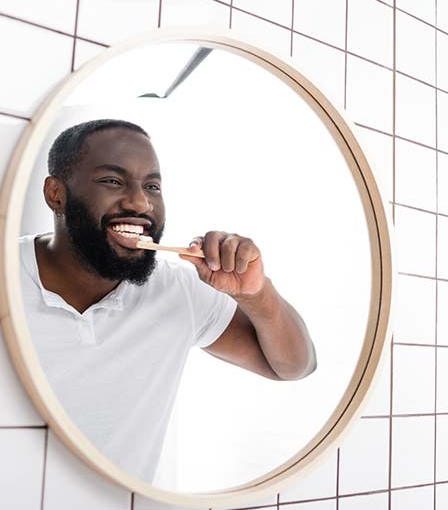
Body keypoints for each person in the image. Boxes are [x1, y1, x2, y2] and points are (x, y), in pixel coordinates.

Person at [21, 118, 317, 482]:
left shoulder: (178, 290)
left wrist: (256, 294)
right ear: (56, 194)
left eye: (153, 186)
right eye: (113, 181)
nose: (140, 202)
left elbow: (293, 366)